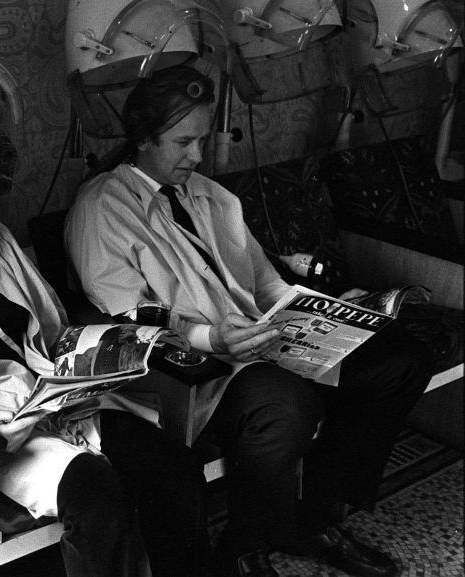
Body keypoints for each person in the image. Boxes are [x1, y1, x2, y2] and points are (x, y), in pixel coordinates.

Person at [64, 64, 430, 577]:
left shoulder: (212, 197)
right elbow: (128, 322)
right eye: (182, 142)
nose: (197, 155)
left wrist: (330, 309)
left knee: (400, 361)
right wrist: (212, 336)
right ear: (143, 138)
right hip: (194, 366)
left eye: (201, 139)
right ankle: (244, 546)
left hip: (263, 337)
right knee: (287, 407)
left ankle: (317, 516)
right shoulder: (102, 208)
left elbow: (266, 286)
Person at [0, 117, 211, 577]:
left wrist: (109, 352)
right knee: (96, 495)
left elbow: (52, 328)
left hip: (58, 403)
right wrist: (4, 418)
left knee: (173, 465)